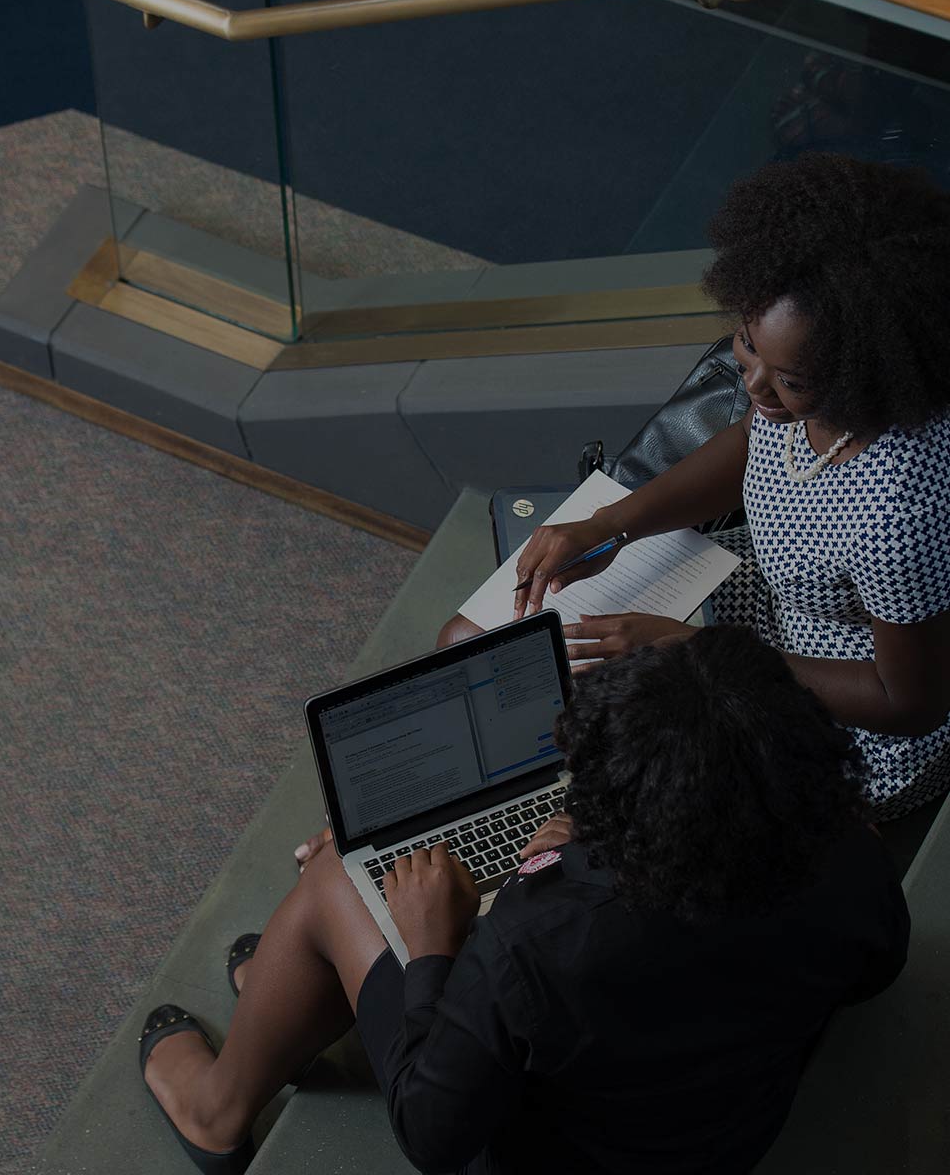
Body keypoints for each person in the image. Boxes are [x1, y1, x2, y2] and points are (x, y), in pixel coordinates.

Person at [138, 627, 909, 1174]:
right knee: (352, 927)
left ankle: (216, 1111)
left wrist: (434, 952)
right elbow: (874, 971)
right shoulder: (846, 852)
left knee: (336, 875)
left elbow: (431, 1136)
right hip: (730, 1130)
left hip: (558, 1153)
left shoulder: (532, 937)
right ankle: (302, 987)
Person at [441, 153, 950, 819]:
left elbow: (907, 702)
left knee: (603, 763)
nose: (754, 386)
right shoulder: (803, 395)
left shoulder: (900, 516)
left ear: (865, 373)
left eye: (791, 381)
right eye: (744, 343)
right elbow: (751, 444)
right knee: (475, 644)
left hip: (848, 717)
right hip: (774, 610)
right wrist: (610, 524)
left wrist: (698, 651)